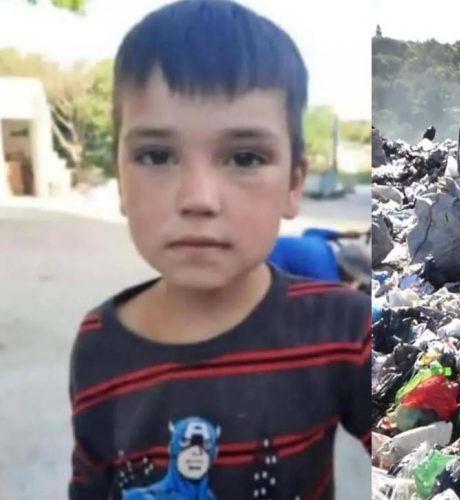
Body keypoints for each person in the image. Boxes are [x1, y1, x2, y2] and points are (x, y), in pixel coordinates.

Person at [67, 2, 371, 499]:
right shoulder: (99, 343)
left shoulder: (342, 328)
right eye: (156, 155)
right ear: (120, 179)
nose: (198, 199)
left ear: (294, 182)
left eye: (245, 157)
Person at [269, 227, 371, 289]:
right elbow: (340, 299)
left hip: (265, 246)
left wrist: (341, 234)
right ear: (350, 273)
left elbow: (309, 231)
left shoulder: (322, 244)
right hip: (265, 267)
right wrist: (353, 287)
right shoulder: (328, 279)